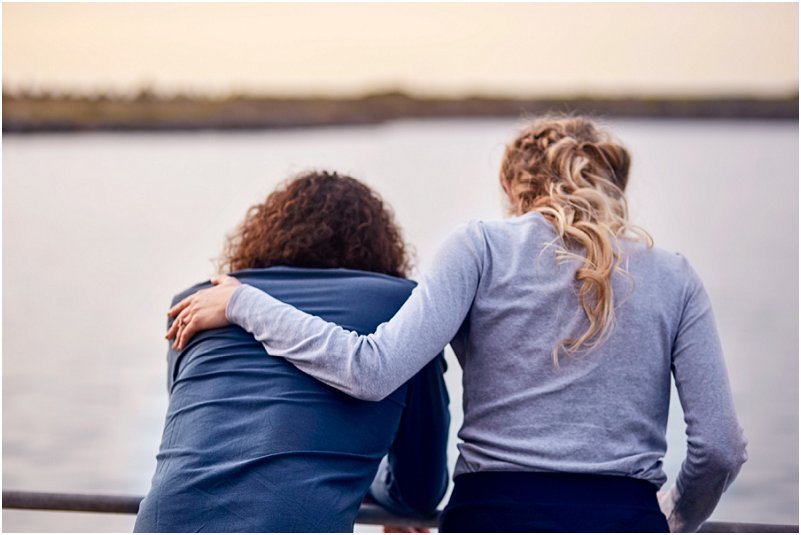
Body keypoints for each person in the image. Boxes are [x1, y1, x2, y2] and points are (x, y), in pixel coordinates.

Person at [169, 116, 748, 532]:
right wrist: (674, 519)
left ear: (511, 188)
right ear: (614, 188)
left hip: (492, 516)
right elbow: (720, 448)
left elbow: (372, 371)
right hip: (625, 520)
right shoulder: (675, 275)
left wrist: (244, 302)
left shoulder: (482, 247)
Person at [137, 171, 449, 532]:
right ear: (383, 247)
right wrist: (368, 485)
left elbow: (197, 441)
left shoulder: (195, 305)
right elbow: (419, 489)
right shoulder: (403, 310)